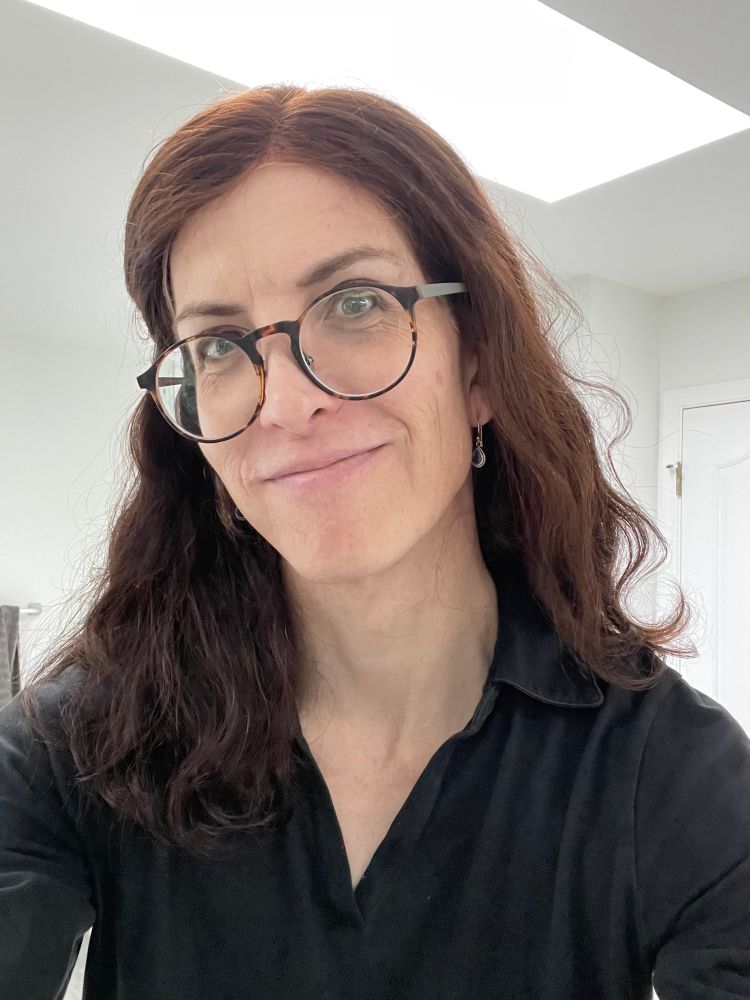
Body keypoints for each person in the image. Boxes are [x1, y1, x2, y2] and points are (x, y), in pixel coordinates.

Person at [1, 83, 748, 1000]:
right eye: (222, 346)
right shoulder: (72, 750)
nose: (286, 401)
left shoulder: (671, 772)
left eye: (353, 304)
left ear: (478, 365)